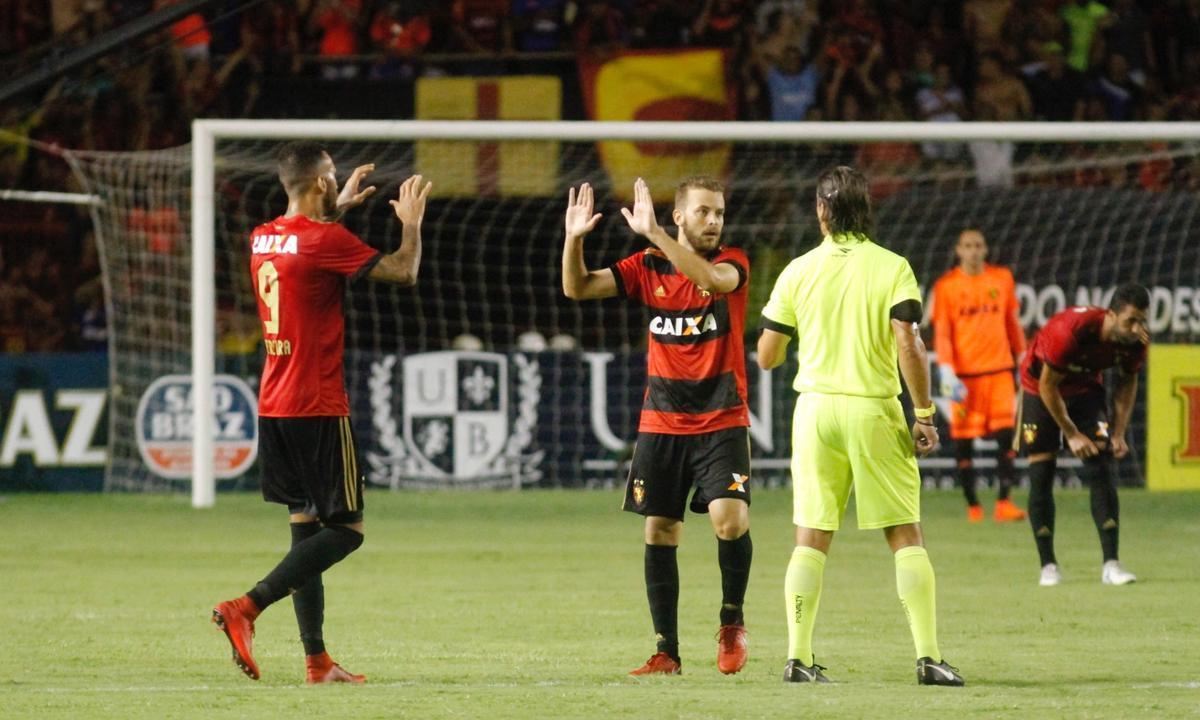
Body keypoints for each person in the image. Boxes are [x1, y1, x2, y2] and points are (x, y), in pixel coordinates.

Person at [211, 141, 431, 683]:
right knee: (348, 530)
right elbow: (403, 273)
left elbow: (303, 238)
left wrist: (340, 206)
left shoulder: (263, 237)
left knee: (305, 534)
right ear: (319, 184)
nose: (337, 180)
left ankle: (317, 662)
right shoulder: (325, 239)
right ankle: (248, 606)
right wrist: (411, 223)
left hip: (274, 403)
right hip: (316, 403)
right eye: (332, 176)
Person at [758, 166, 963, 686]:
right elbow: (907, 340)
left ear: (822, 211)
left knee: (811, 535)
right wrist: (922, 413)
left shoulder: (797, 270)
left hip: (815, 412)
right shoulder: (893, 267)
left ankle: (797, 658)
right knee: (904, 533)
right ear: (865, 209)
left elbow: (766, 355)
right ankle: (928, 658)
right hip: (871, 408)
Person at [562, 177, 754, 677]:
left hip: (721, 417)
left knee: (729, 520)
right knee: (660, 530)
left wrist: (654, 236)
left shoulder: (733, 261)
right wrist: (574, 239)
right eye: (705, 212)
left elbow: (714, 281)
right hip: (662, 422)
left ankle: (731, 621)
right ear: (680, 217)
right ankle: (666, 652)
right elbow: (576, 287)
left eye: (719, 212)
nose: (715, 221)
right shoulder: (648, 267)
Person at [1017, 284, 1149, 587]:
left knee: (1103, 463)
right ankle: (1048, 565)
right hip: (1039, 389)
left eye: (1142, 320)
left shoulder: (1136, 342)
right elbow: (1049, 386)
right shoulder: (1071, 331)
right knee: (1041, 471)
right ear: (1111, 314)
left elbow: (1127, 384)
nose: (1137, 328)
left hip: (1084, 389)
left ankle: (1111, 564)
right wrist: (1072, 434)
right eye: (1130, 321)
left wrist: (1117, 433)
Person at [931, 229, 1027, 523]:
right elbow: (943, 333)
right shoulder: (946, 287)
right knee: (963, 441)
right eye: (967, 246)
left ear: (985, 250)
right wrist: (946, 368)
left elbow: (1012, 323)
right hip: (963, 376)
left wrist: (1022, 357)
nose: (973, 251)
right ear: (959, 251)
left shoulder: (1002, 278)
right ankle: (973, 506)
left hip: (998, 370)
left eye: (978, 246)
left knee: (1005, 436)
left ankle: (1004, 503)